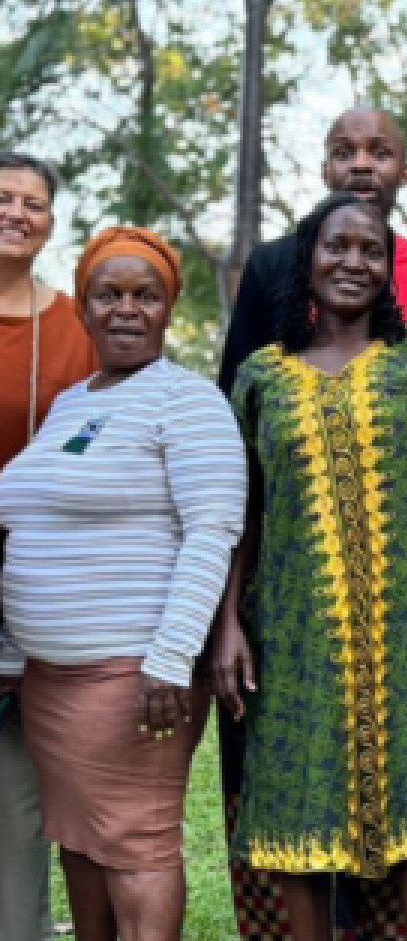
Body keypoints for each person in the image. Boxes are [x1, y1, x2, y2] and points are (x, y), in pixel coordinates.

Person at [212, 107, 407, 938]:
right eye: (336, 246)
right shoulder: (262, 376)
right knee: (300, 825)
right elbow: (243, 507)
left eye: (371, 250)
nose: (353, 262)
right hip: (294, 631)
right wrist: (228, 623)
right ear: (307, 260)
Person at [0, 226, 245, 940]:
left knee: (136, 847)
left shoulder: (189, 402)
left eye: (146, 295)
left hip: (133, 674)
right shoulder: (74, 404)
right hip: (50, 680)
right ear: (84, 307)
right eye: (108, 295)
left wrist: (171, 658)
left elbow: (212, 533)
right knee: (80, 843)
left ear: (169, 308)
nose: (126, 310)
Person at [0, 153, 97, 941]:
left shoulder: (76, 328)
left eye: (33, 203)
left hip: (36, 580)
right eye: (2, 197)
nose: (16, 212)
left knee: (14, 787)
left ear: (50, 224)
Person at [218, 106, 407, 394]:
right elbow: (235, 392)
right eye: (344, 153)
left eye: (380, 154)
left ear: (405, 173)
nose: (361, 165)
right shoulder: (270, 263)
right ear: (325, 172)